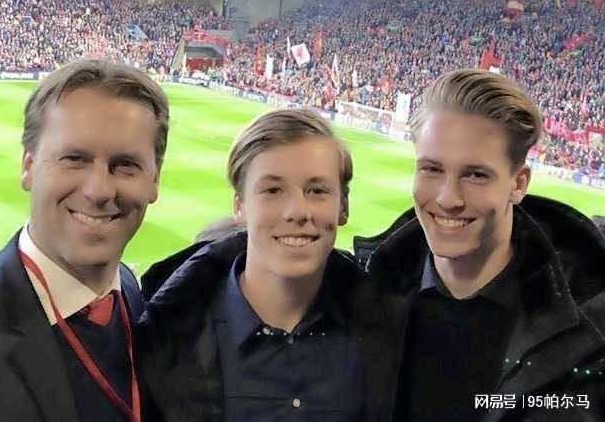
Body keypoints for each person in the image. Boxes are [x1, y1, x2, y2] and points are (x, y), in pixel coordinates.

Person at [0, 59, 169, 422]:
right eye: (74, 159)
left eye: (125, 165)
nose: (99, 190)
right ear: (28, 167)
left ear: (154, 180)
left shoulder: (128, 289)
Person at [354, 69, 605, 421]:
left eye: (475, 175)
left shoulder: (591, 324)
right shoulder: (359, 293)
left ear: (518, 184)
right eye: (431, 169)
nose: (448, 198)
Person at [136, 108, 383, 421]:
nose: (297, 211)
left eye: (317, 191)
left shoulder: (389, 333)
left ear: (343, 206)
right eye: (273, 190)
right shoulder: (165, 337)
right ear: (240, 205)